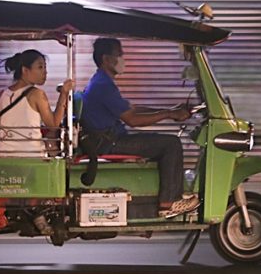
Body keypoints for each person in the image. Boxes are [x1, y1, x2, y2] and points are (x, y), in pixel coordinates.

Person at [80, 37, 197, 218]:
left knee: (165, 142)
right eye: (119, 55)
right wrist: (168, 115)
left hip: (110, 138)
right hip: (110, 143)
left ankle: (169, 195)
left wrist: (170, 110)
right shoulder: (103, 86)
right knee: (170, 144)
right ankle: (169, 202)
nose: (123, 59)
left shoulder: (102, 82)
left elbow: (131, 109)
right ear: (106, 59)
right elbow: (133, 120)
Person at [0, 49, 75, 157]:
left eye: (45, 67)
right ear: (25, 70)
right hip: (31, 155)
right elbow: (53, 125)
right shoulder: (37, 94)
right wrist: (63, 94)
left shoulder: (2, 95)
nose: (45, 72)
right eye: (40, 67)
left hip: (2, 155)